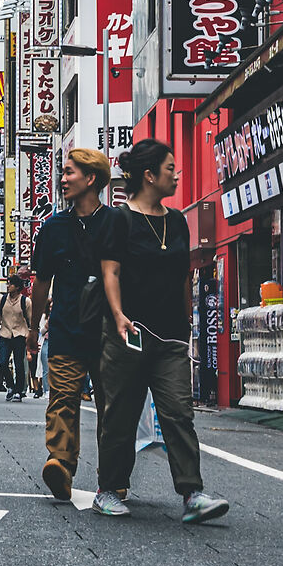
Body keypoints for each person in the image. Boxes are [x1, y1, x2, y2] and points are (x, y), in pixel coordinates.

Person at [92, 138, 229, 524]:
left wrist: (188, 326)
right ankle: (108, 488)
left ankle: (192, 493)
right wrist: (118, 315)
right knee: (121, 413)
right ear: (149, 175)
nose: (177, 175)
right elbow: (110, 271)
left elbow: (184, 276)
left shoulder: (177, 221)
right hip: (128, 333)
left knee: (178, 412)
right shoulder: (119, 219)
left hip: (171, 337)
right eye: (170, 168)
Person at [30, 147, 110, 500]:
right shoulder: (53, 227)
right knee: (62, 398)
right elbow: (41, 282)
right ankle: (60, 464)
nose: (62, 179)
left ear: (91, 178)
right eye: (62, 172)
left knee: (111, 404)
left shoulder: (116, 223)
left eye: (69, 173)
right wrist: (34, 328)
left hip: (108, 331)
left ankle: (112, 475)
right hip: (65, 326)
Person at [0, 276, 33, 401]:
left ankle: (18, 391)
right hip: (5, 334)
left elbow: (30, 320)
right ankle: (10, 386)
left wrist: (31, 335)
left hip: (20, 335)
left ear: (17, 287)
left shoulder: (25, 301)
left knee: (19, 364)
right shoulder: (2, 300)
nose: (8, 286)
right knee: (2, 362)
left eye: (10, 284)